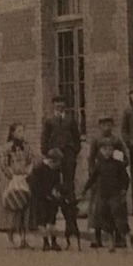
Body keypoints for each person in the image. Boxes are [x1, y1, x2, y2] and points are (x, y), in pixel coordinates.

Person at [82, 137, 131, 249]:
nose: (107, 152)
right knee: (106, 218)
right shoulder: (100, 165)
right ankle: (111, 244)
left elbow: (126, 179)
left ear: (113, 151)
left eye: (110, 149)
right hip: (104, 195)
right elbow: (93, 178)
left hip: (115, 195)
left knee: (120, 218)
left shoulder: (118, 164)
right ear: (101, 151)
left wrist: (123, 190)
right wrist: (85, 189)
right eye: (105, 149)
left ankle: (128, 243)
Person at [40, 95, 82, 225]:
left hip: (68, 154)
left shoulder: (70, 120)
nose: (60, 105)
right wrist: (46, 152)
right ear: (54, 105)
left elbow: (77, 137)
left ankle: (71, 207)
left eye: (62, 103)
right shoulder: (49, 120)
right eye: (57, 103)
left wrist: (74, 151)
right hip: (54, 154)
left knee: (69, 180)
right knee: (54, 180)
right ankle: (53, 207)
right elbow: (44, 138)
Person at [0, 122, 36, 248]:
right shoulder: (7, 147)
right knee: (13, 210)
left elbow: (31, 161)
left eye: (23, 131)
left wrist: (28, 172)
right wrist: (12, 176)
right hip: (12, 181)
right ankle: (10, 237)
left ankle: (23, 238)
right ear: (13, 133)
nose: (21, 134)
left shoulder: (27, 147)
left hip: (24, 180)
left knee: (25, 210)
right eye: (19, 131)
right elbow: (4, 164)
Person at [28, 147, 66, 251]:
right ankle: (45, 242)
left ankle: (53, 241)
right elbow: (34, 186)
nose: (58, 166)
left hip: (52, 198)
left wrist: (56, 191)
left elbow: (57, 182)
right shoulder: (38, 169)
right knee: (42, 221)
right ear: (50, 161)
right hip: (40, 199)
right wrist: (45, 195)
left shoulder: (56, 170)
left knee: (52, 220)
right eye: (56, 163)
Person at [84, 115, 129, 182]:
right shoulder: (96, 140)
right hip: (100, 170)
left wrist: (120, 167)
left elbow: (125, 157)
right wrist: (92, 171)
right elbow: (91, 158)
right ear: (100, 126)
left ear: (112, 126)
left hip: (113, 172)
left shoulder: (116, 140)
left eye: (108, 125)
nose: (106, 128)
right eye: (104, 125)